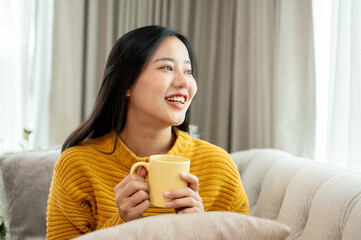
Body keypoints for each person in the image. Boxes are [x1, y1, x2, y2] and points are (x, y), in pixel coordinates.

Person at [46, 25, 249, 240]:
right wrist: (121, 224)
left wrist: (201, 230)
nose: (183, 83)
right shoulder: (77, 165)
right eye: (167, 68)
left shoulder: (219, 166)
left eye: (188, 71)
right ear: (127, 83)